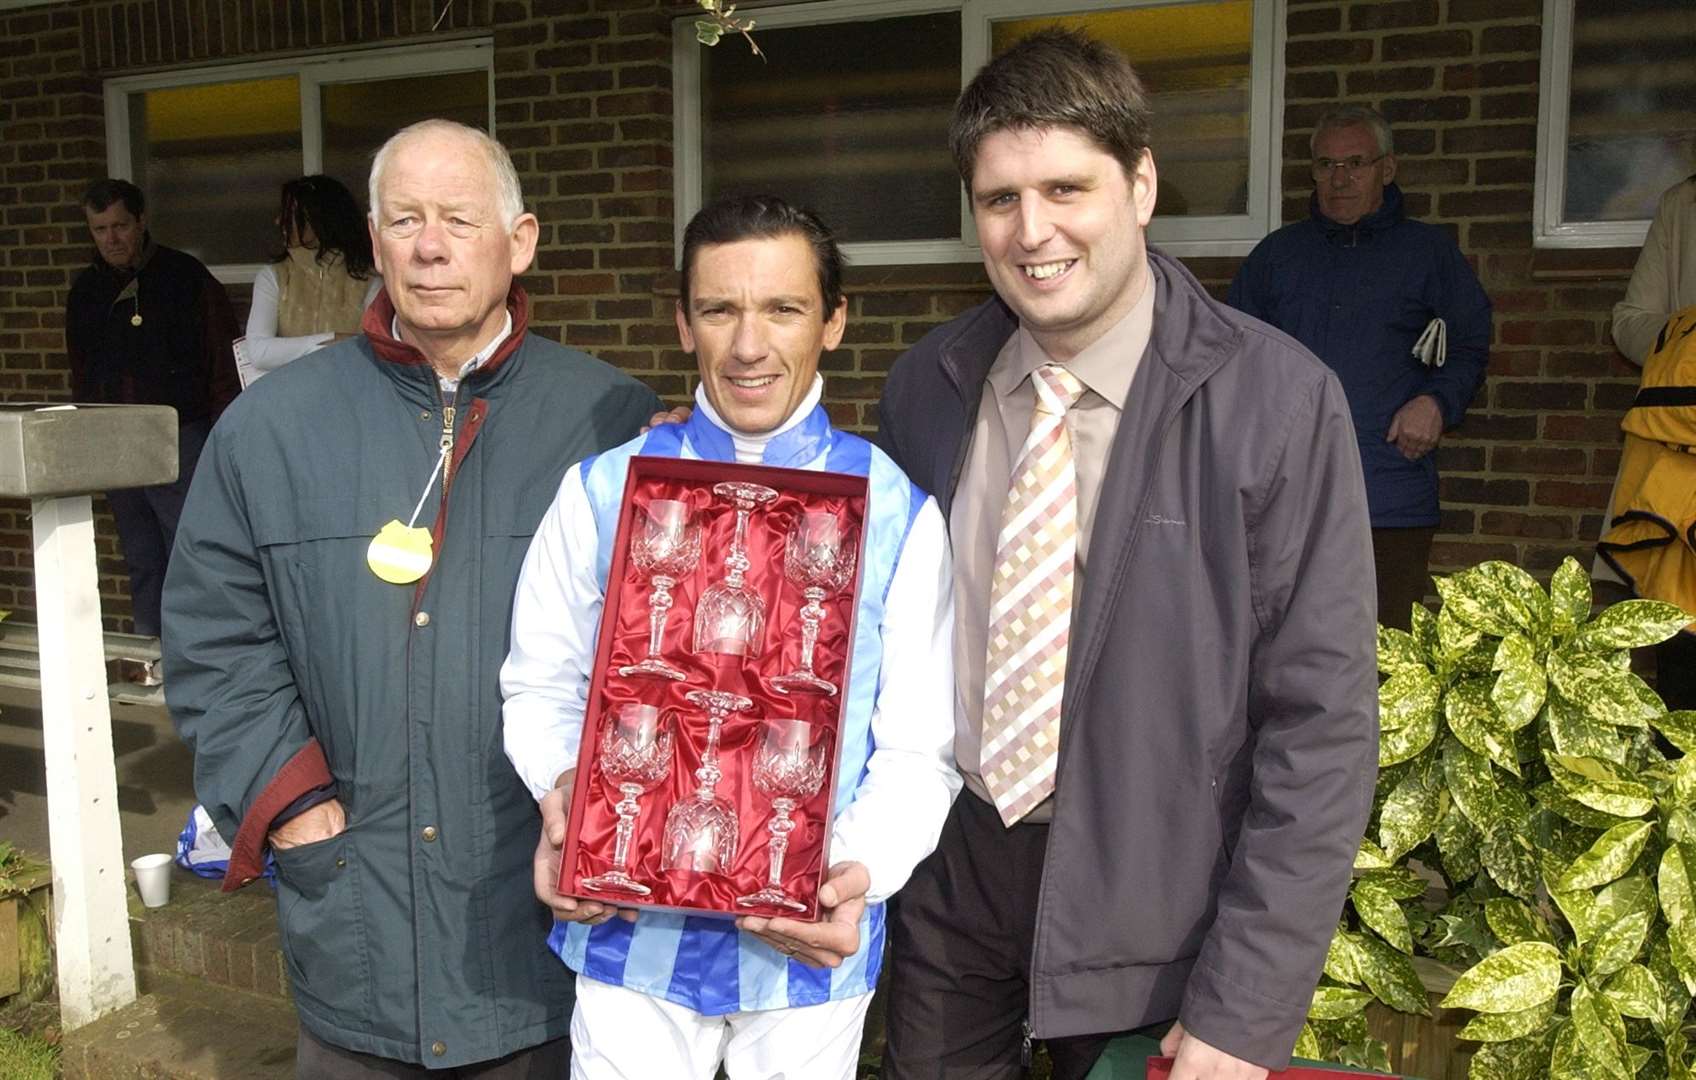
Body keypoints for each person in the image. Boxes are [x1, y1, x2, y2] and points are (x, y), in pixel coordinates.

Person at [873, 30, 1378, 1080]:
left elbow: (1321, 728)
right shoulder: (931, 385)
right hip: (955, 887)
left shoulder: (1275, 405)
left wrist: (1243, 1010)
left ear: (1140, 185)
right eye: (999, 198)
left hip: (1160, 918)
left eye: (1067, 188)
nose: (1032, 230)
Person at [162, 119, 661, 1077]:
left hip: (541, 922)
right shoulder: (269, 431)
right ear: (376, 244)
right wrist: (296, 805)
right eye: (405, 220)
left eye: (460, 220)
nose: (430, 246)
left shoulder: (612, 423)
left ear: (520, 242)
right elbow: (216, 639)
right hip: (358, 927)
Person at [503, 194, 960, 1080]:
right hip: (628, 940)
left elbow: (919, 749)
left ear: (833, 322)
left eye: (783, 308)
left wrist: (851, 872)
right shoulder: (603, 491)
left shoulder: (900, 512)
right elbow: (540, 685)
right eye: (720, 310)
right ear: (683, 324)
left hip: (806, 946)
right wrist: (569, 794)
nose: (749, 346)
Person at [1228, 104, 1491, 631]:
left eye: (1355, 164)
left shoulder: (1427, 252)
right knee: (1280, 652)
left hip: (1389, 491)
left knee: (1385, 655)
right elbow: (1231, 358)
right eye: (1326, 165)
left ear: (1387, 169)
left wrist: (1436, 402)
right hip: (1287, 497)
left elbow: (1469, 343)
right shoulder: (1277, 256)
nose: (1339, 179)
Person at [65, 178, 241, 672]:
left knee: (192, 553)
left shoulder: (185, 277)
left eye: (120, 225)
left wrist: (223, 436)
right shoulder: (86, 292)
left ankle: (202, 663)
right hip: (114, 440)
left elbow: (223, 360)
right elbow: (81, 372)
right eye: (99, 229)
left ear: (141, 221)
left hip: (179, 435)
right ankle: (151, 659)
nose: (111, 238)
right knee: (141, 556)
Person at [1601, 174, 1696, 710]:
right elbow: (1630, 323)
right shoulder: (1683, 203)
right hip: (1683, 469)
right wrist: (1689, 334)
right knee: (1683, 674)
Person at [235, 174, 383, 387]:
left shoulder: (369, 281)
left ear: (319, 219)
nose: (279, 221)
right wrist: (331, 339)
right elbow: (259, 351)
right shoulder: (273, 277)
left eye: (290, 214)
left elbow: (376, 349)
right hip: (288, 401)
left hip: (350, 399)